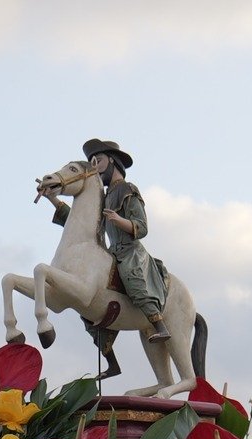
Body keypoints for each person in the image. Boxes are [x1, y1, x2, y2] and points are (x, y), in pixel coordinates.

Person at [49, 138, 171, 342]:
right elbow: (80, 221)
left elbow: (142, 227)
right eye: (93, 163)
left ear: (112, 161)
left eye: (99, 161)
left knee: (133, 279)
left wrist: (119, 220)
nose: (95, 167)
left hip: (130, 251)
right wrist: (53, 198)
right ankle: (107, 350)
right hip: (112, 251)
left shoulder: (127, 189)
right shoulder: (104, 197)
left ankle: (159, 324)